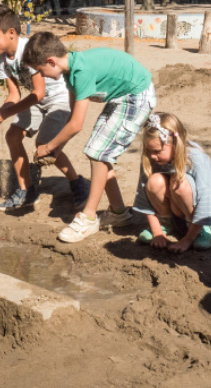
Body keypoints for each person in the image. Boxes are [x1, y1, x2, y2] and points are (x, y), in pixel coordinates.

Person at [22, 32, 156, 243]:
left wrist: (48, 147)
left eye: (41, 70)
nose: (43, 76)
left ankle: (89, 217)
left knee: (97, 153)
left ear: (51, 61)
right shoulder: (70, 72)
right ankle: (119, 213)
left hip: (136, 96)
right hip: (122, 98)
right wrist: (58, 148)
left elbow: (77, 124)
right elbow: (72, 121)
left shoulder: (81, 71)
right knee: (100, 152)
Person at [0, 5, 90, 213]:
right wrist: (0, 112)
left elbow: (38, 92)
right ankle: (27, 190)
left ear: (11, 33)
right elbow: (14, 95)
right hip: (35, 102)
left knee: (44, 144)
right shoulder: (3, 60)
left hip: (58, 99)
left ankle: (77, 183)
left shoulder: (27, 51)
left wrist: (6, 112)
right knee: (12, 136)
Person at [132, 113, 211, 253]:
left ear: (175, 143)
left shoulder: (195, 157)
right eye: (149, 150)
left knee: (179, 182)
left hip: (196, 212)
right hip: (173, 206)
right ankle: (165, 223)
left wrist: (187, 240)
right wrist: (157, 231)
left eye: (157, 151)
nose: (152, 155)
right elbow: (143, 192)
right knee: (154, 181)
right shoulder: (152, 157)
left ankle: (200, 230)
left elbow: (206, 199)